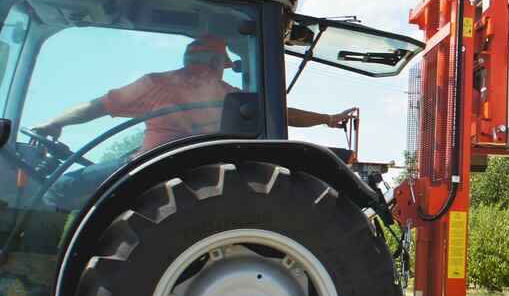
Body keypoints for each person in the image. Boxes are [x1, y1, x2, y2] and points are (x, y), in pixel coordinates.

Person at [32, 35, 354, 209]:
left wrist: (53, 123)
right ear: (219, 64)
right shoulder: (229, 95)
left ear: (190, 58)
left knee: (56, 190)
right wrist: (327, 119)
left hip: (146, 166)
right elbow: (281, 113)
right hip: (199, 173)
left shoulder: (156, 83)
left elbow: (98, 107)